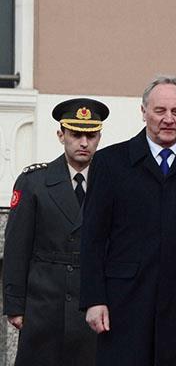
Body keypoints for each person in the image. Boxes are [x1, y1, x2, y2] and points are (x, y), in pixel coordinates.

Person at [79, 76, 176, 365]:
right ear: (143, 112)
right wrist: (93, 299)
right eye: (160, 111)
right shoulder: (111, 162)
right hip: (124, 299)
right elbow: (93, 237)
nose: (168, 119)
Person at [3, 98, 108, 366]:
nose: (83, 142)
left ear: (99, 138)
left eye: (91, 136)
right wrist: (14, 304)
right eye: (75, 135)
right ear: (61, 135)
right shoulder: (34, 182)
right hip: (44, 305)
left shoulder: (111, 183)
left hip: (93, 304)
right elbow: (16, 246)